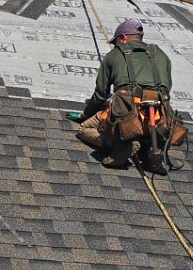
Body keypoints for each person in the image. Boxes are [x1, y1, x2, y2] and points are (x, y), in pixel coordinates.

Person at [73, 18, 184, 173]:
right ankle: (150, 146)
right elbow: (167, 88)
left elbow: (101, 94)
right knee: (153, 121)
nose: (115, 45)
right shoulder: (160, 54)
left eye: (116, 41)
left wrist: (86, 113)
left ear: (123, 37)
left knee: (83, 129)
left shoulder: (114, 54)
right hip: (157, 119)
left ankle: (119, 145)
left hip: (126, 117)